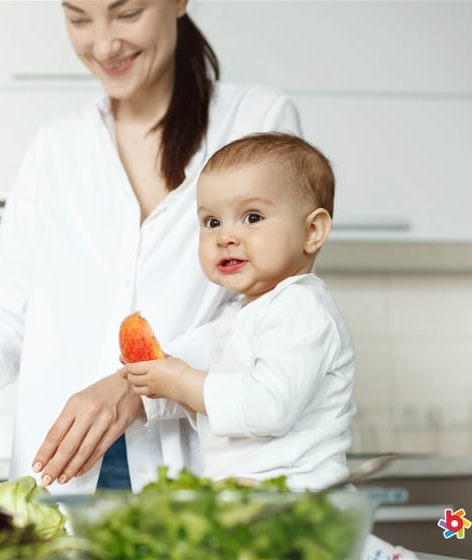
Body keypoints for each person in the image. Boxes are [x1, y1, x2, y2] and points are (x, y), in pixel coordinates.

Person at [0, 0, 301, 495]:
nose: (102, 44)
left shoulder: (256, 120)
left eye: (127, 13)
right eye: (78, 18)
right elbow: (8, 308)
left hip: (200, 467)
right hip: (61, 473)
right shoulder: (56, 147)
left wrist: (139, 387)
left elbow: (267, 310)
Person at [122, 132, 355, 490]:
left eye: (252, 217)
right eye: (212, 222)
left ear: (312, 231)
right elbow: (226, 410)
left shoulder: (300, 307)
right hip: (256, 500)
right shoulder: (243, 315)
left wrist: (180, 380)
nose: (225, 236)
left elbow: (268, 407)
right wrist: (165, 385)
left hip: (301, 501)